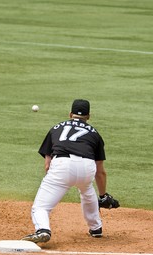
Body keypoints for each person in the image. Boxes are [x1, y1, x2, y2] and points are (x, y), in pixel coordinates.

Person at [22, 99, 119, 243]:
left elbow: (47, 164)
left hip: (62, 164)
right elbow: (100, 172)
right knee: (87, 191)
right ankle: (96, 228)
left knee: (41, 207)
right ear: (89, 116)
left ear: (70, 114)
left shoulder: (56, 128)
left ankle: (43, 229)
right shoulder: (95, 134)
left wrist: (55, 181)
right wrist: (103, 195)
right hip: (87, 166)